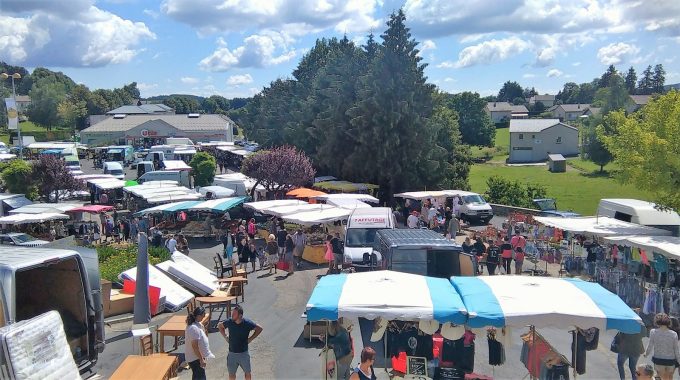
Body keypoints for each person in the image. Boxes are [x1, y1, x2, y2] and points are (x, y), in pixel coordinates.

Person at [218, 305, 263, 380]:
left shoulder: (247, 323)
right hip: (232, 354)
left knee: (247, 374)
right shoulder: (230, 321)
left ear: (240, 316)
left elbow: (259, 328)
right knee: (232, 375)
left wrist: (250, 339)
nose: (232, 315)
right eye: (232, 313)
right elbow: (220, 326)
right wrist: (225, 336)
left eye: (234, 314)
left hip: (244, 354)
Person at [644, 313, 680, 380]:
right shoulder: (674, 334)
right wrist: (679, 360)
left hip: (658, 359)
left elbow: (650, 345)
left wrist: (646, 353)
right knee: (668, 377)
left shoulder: (653, 332)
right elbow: (676, 349)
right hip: (671, 360)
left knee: (660, 377)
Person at [616, 311, 647, 380]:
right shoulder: (641, 325)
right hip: (637, 348)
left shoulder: (625, 324)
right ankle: (635, 378)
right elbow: (645, 334)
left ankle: (622, 378)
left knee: (620, 364)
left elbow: (620, 335)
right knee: (632, 367)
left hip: (624, 348)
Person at [185, 306, 213, 380]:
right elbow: (195, 346)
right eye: (203, 314)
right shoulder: (193, 328)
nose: (204, 316)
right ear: (198, 316)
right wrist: (201, 359)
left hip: (196, 358)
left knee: (197, 376)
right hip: (195, 359)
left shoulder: (197, 324)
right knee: (200, 377)